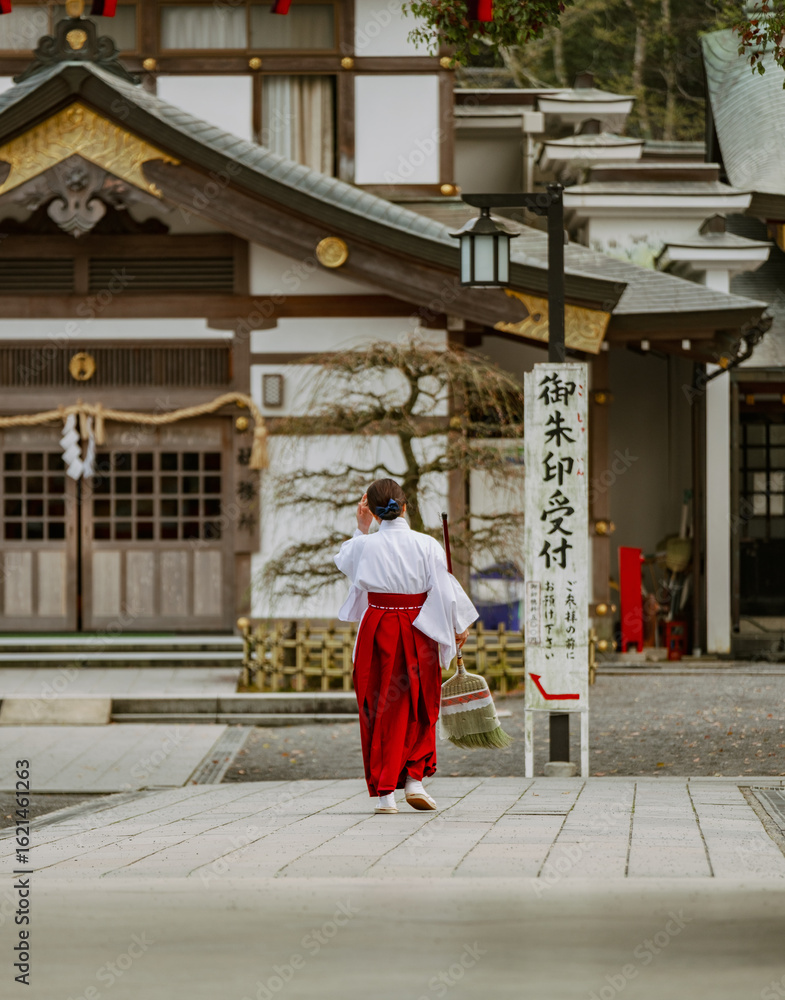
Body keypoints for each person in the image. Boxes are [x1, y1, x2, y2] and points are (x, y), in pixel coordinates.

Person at [334, 478, 478, 814]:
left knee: (378, 704)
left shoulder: (363, 546)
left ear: (369, 508)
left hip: (379, 627)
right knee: (420, 700)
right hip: (418, 627)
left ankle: (386, 793)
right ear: (405, 506)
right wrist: (458, 624)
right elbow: (443, 587)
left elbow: (346, 561)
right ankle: (414, 778)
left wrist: (361, 527)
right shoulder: (427, 545)